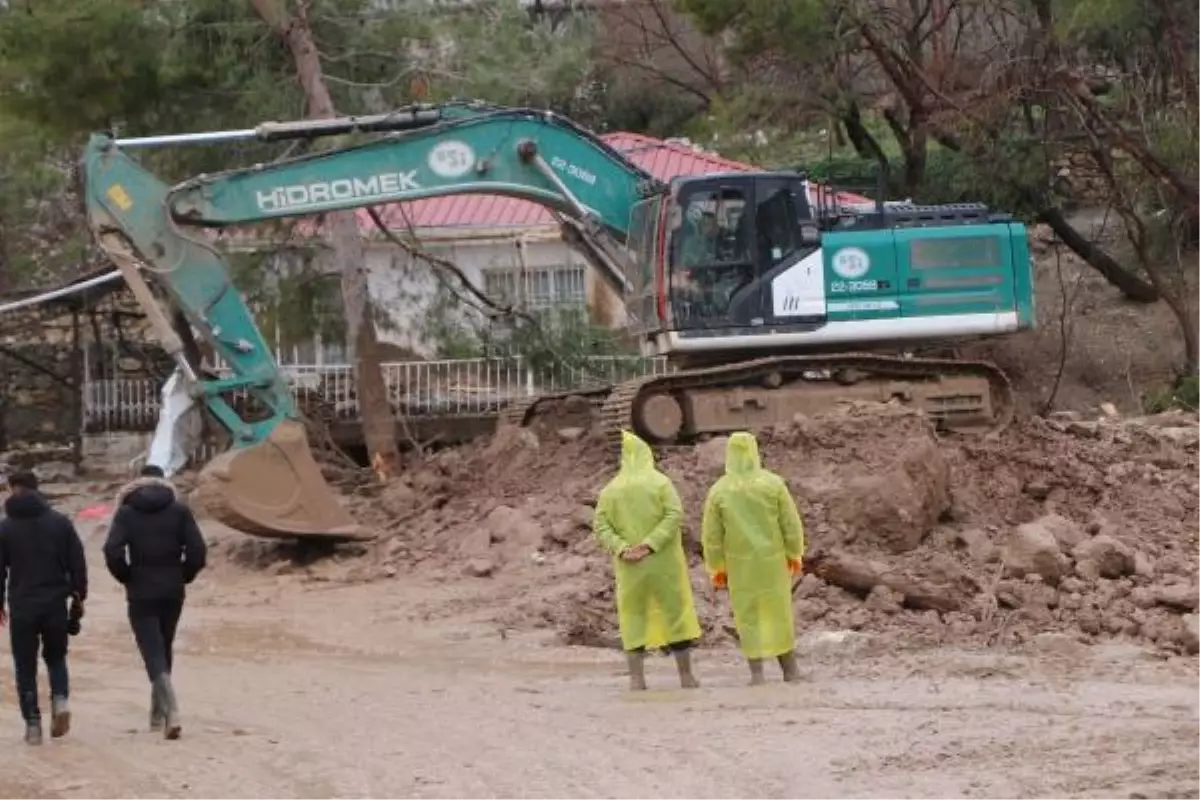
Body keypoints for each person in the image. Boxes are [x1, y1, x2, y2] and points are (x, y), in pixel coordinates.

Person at [103, 464, 207, 740]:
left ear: (137, 483)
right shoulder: (179, 510)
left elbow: (112, 550)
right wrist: (184, 575)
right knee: (164, 643)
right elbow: (197, 550)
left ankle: (171, 709)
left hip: (140, 589)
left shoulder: (126, 512)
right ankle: (157, 714)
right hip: (173, 589)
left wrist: (126, 576)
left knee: (151, 649)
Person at [592, 431, 702, 691]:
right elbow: (674, 514)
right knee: (676, 614)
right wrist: (651, 543)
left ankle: (637, 680)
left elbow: (600, 526)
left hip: (630, 568)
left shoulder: (610, 490)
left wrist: (622, 549)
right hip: (664, 563)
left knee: (633, 616)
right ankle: (686, 677)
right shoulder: (661, 483)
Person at [701, 432, 806, 686]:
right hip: (773, 562)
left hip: (740, 566)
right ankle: (790, 670)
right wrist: (794, 554)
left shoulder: (719, 491)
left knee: (747, 615)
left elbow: (712, 536)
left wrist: (717, 567)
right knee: (778, 612)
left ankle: (757, 674)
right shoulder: (773, 484)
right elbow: (790, 524)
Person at [0, 470, 88, 744]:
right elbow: (77, 562)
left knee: (24, 665)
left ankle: (33, 726)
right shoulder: (60, 522)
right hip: (54, 603)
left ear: (13, 489)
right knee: (56, 657)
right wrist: (79, 595)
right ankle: (60, 700)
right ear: (37, 489)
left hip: (22, 604)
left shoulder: (5, 527)